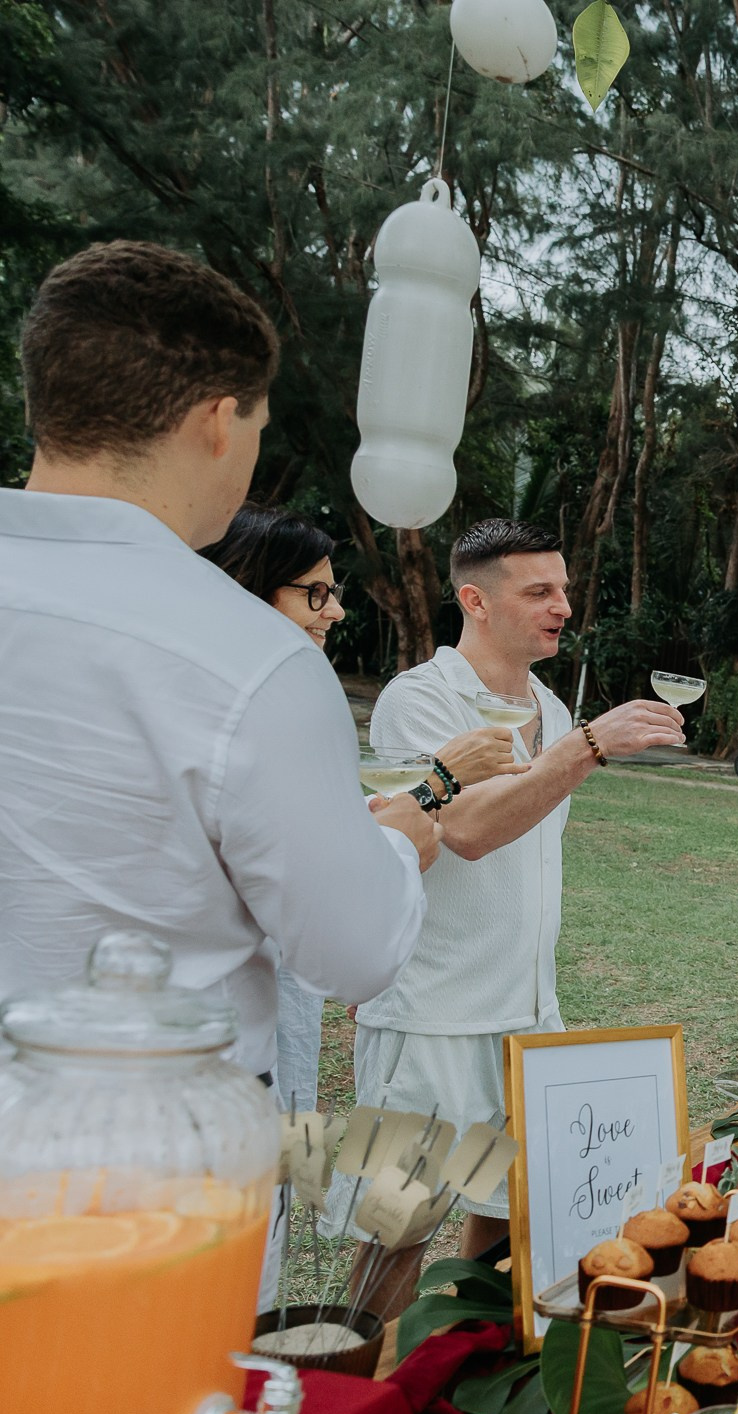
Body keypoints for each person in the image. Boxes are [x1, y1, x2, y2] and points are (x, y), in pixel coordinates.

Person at [0, 241, 435, 1084]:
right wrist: (393, 847)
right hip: (151, 1168)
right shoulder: (252, 660)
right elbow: (354, 951)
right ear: (216, 421)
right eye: (258, 431)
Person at [347, 518, 686, 1305]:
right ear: (476, 600)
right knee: (396, 1237)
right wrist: (588, 748)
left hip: (530, 1017)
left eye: (563, 588)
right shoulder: (421, 698)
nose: (562, 605)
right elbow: (463, 829)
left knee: (509, 1230)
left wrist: (572, 739)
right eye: (539, 590)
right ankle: (354, 1395)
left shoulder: (551, 706)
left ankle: (457, 1379)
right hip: (432, 1014)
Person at [199, 504, 525, 1113]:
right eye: (315, 594)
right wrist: (443, 778)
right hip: (220, 1026)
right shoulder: (255, 717)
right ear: (247, 591)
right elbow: (304, 869)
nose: (337, 611)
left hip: (270, 987)